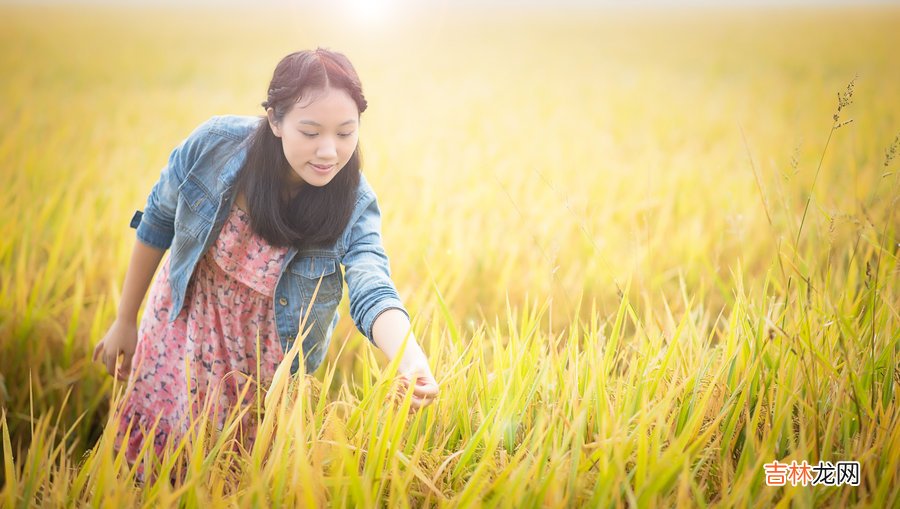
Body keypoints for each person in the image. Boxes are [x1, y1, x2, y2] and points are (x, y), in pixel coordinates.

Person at [91, 48, 439, 482]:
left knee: (239, 480)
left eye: (346, 133)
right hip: (180, 332)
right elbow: (158, 221)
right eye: (310, 132)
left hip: (265, 372)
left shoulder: (354, 204)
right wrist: (125, 319)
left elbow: (372, 285)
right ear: (275, 120)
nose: (329, 151)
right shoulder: (213, 147)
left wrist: (410, 360)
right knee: (148, 472)